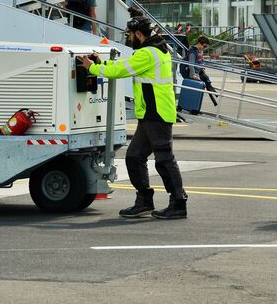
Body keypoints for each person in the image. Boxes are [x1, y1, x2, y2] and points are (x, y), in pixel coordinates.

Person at [77, 16, 187, 219]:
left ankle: (178, 202)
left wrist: (92, 67)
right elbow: (127, 65)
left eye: (129, 34)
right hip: (149, 114)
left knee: (164, 159)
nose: (129, 38)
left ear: (138, 33)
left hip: (157, 113)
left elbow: (120, 70)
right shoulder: (154, 50)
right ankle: (144, 201)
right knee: (135, 156)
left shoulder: (149, 53)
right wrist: (103, 62)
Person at [181, 35, 219, 108]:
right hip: (192, 72)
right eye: (204, 46)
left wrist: (202, 68)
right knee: (201, 84)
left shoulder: (199, 51)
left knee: (206, 79)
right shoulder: (193, 52)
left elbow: (200, 61)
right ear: (199, 43)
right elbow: (191, 64)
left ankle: (212, 94)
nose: (204, 48)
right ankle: (193, 106)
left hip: (198, 71)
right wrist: (193, 75)